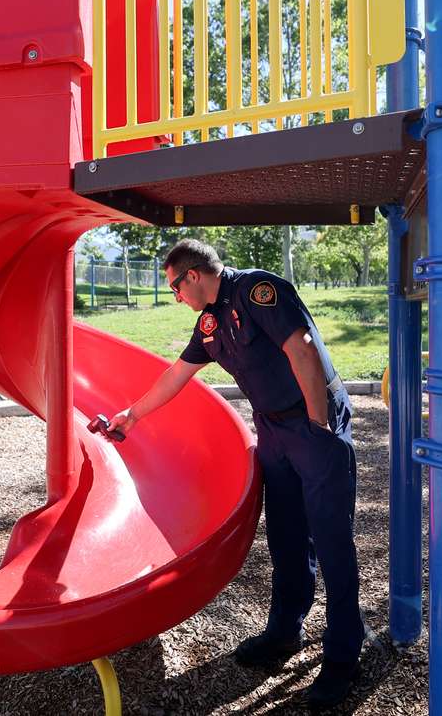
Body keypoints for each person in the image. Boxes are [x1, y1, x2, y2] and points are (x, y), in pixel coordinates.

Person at [107, 239, 364, 709]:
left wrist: (319, 424)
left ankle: (344, 655)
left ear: (193, 276)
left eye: (175, 287)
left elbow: (302, 349)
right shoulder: (208, 323)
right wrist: (132, 414)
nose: (176, 297)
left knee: (330, 539)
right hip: (273, 430)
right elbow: (176, 376)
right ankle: (285, 631)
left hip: (312, 422)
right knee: (286, 536)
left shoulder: (256, 290)